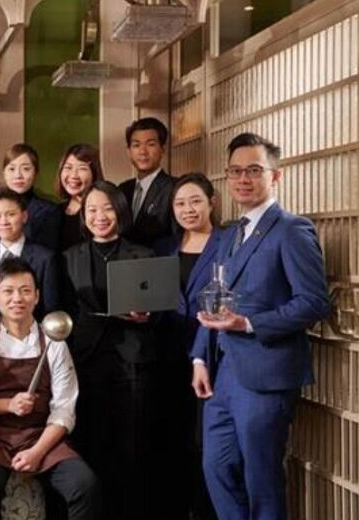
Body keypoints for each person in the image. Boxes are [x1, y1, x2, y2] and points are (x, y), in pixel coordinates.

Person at [192, 133, 330, 520]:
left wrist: (249, 323)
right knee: (217, 469)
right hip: (223, 373)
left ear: (275, 176)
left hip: (266, 374)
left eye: (253, 170)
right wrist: (199, 358)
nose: (243, 179)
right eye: (235, 171)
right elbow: (215, 298)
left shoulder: (291, 229)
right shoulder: (231, 233)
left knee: (261, 480)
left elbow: (314, 302)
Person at [0, 258, 102, 520]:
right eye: (8, 291)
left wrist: (37, 452)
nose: (17, 298)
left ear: (36, 297)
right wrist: (8, 405)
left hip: (41, 434)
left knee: (84, 484)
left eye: (25, 291)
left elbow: (64, 410)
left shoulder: (55, 343)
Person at [60, 180, 156, 520]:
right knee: (91, 442)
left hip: (132, 360)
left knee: (132, 448)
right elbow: (65, 310)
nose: (99, 216)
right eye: (92, 210)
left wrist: (148, 314)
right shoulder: (69, 257)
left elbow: (161, 308)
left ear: (120, 211)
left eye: (107, 208)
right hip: (86, 360)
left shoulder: (143, 254)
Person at [154, 172, 222, 520]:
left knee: (206, 443)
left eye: (196, 201)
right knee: (171, 438)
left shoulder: (228, 243)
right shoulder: (163, 247)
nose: (188, 209)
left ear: (212, 202)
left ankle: (206, 511)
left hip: (211, 355)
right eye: (180, 203)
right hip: (166, 353)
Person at [0, 188, 59, 335]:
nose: (4, 221)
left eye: (11, 214)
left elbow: (50, 311)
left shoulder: (45, 258)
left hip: (31, 339)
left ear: (24, 216)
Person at [0, 144, 62, 254]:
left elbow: (46, 249)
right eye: (12, 169)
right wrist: (7, 243)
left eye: (26, 169)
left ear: (36, 173)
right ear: (4, 173)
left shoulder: (49, 210)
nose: (18, 175)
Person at [118, 117, 175, 248]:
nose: (143, 152)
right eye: (136, 145)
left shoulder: (174, 188)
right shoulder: (122, 189)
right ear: (129, 152)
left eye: (150, 144)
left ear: (163, 149)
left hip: (160, 258)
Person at [55, 144, 103, 252]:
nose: (73, 175)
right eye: (68, 168)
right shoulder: (55, 210)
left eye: (82, 168)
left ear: (94, 174)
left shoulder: (100, 212)